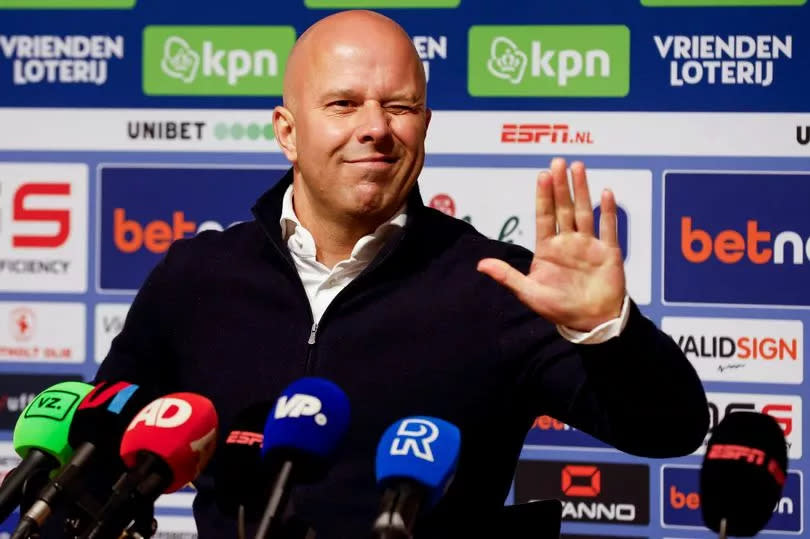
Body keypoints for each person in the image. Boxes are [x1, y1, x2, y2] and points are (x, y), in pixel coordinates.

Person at [96, 9, 709, 538]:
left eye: (400, 106)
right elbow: (96, 458)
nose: (375, 128)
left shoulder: (497, 283)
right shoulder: (197, 276)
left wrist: (606, 330)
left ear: (425, 126)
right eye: (343, 104)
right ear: (287, 131)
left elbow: (670, 429)